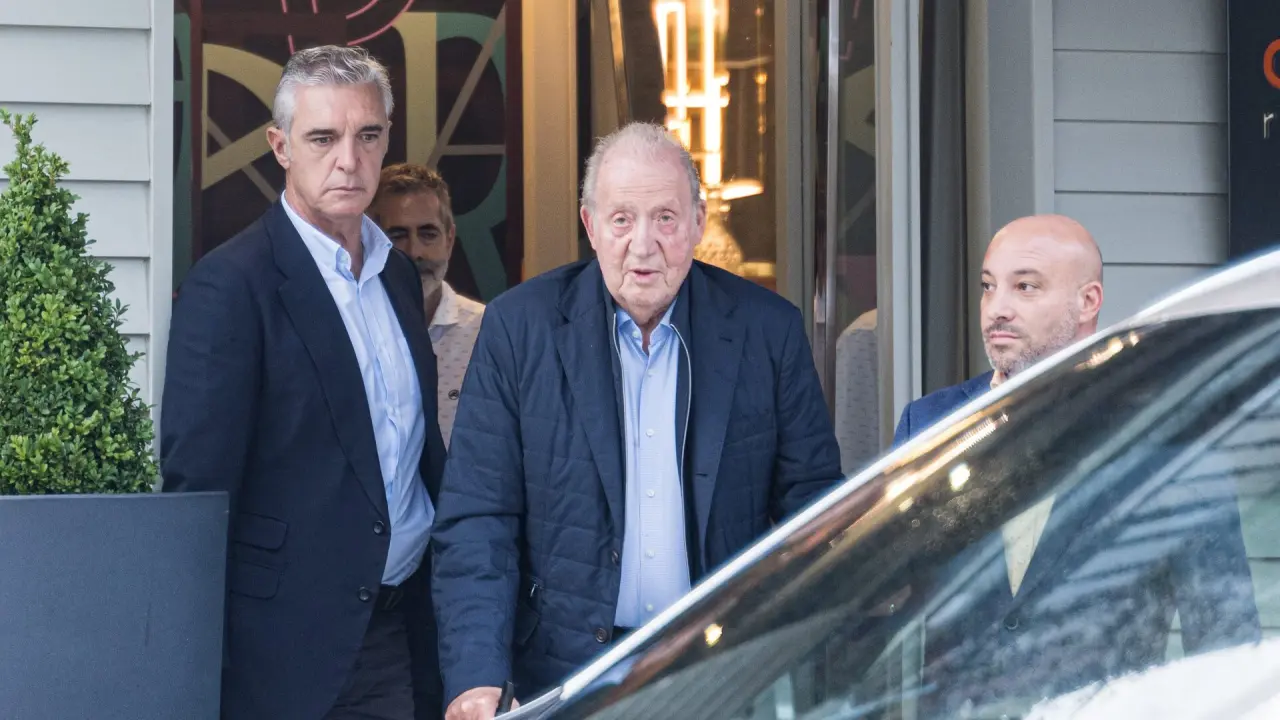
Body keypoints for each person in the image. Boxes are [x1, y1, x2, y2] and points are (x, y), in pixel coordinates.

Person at [430, 121, 843, 719]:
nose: (643, 245)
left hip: (721, 673)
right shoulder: (519, 329)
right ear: (590, 225)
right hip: (564, 675)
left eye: (665, 218)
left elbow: (816, 507)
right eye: (622, 219)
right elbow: (478, 517)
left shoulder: (767, 330)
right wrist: (477, 675)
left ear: (698, 222)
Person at [160, 45, 445, 720]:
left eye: (367, 135)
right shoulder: (230, 286)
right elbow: (200, 495)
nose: (348, 159)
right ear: (280, 146)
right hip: (280, 656)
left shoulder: (397, 275)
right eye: (323, 138)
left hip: (398, 630)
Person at [890, 214, 1260, 714]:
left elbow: (1224, 642)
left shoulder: (1168, 440)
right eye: (988, 286)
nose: (997, 308)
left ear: (1087, 302)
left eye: (1025, 287)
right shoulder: (931, 426)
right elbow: (871, 605)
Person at [370, 164, 485, 447]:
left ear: (449, 240)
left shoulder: (488, 332)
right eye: (397, 235)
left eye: (428, 234)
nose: (415, 252)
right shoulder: (352, 331)